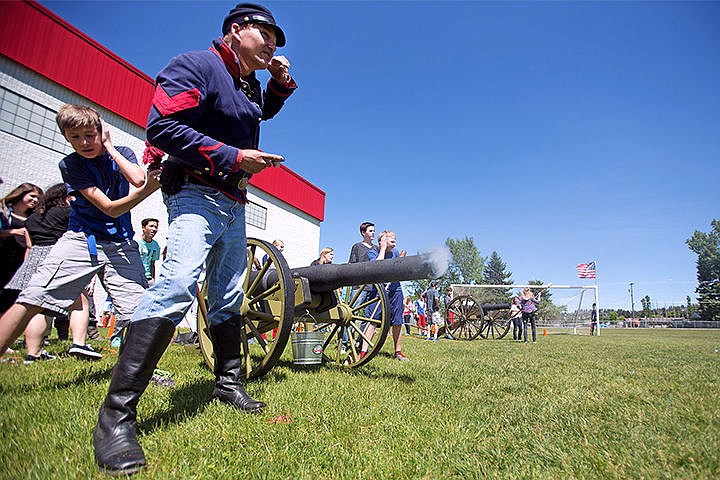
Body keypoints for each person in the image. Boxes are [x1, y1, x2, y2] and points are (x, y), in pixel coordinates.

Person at [92, 4, 297, 475]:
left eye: (277, 42)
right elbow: (161, 128)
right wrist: (232, 155)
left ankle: (227, 383)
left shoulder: (245, 85)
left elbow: (256, 110)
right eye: (266, 35)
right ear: (236, 30)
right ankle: (116, 418)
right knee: (178, 281)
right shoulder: (196, 66)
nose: (272, 45)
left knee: (227, 294)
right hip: (195, 193)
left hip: (234, 201)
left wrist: (281, 84)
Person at [0, 104, 159, 363]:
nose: (83, 142)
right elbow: (109, 209)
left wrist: (109, 147)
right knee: (33, 296)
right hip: (83, 241)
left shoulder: (122, 153)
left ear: (101, 131)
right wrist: (145, 193)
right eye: (74, 137)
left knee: (140, 313)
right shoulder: (71, 165)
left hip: (121, 245)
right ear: (65, 137)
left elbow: (138, 178)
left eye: (89, 134)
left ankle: (137, 374)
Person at [5, 183, 102, 361]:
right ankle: (79, 344)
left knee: (37, 306)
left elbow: (29, 244)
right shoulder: (68, 214)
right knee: (80, 303)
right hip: (58, 256)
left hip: (35, 256)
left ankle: (33, 353)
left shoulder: (33, 217)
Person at [360, 230, 409, 361]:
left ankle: (398, 351)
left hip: (395, 289)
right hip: (379, 290)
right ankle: (363, 351)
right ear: (383, 241)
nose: (395, 242)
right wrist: (382, 248)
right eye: (392, 240)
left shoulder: (395, 252)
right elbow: (377, 266)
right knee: (372, 320)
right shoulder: (373, 252)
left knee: (398, 321)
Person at [0, 183, 43, 313]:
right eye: (32, 196)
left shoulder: (33, 217)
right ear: (22, 194)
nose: (35, 200)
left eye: (38, 198)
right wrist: (13, 232)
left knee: (10, 295)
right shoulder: (5, 211)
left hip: (20, 260)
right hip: (3, 256)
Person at [138, 218, 161, 286]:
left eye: (156, 227)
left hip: (148, 278)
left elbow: (152, 263)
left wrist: (153, 279)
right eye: (151, 226)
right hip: (136, 277)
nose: (154, 229)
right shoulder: (135, 243)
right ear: (143, 228)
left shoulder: (155, 246)